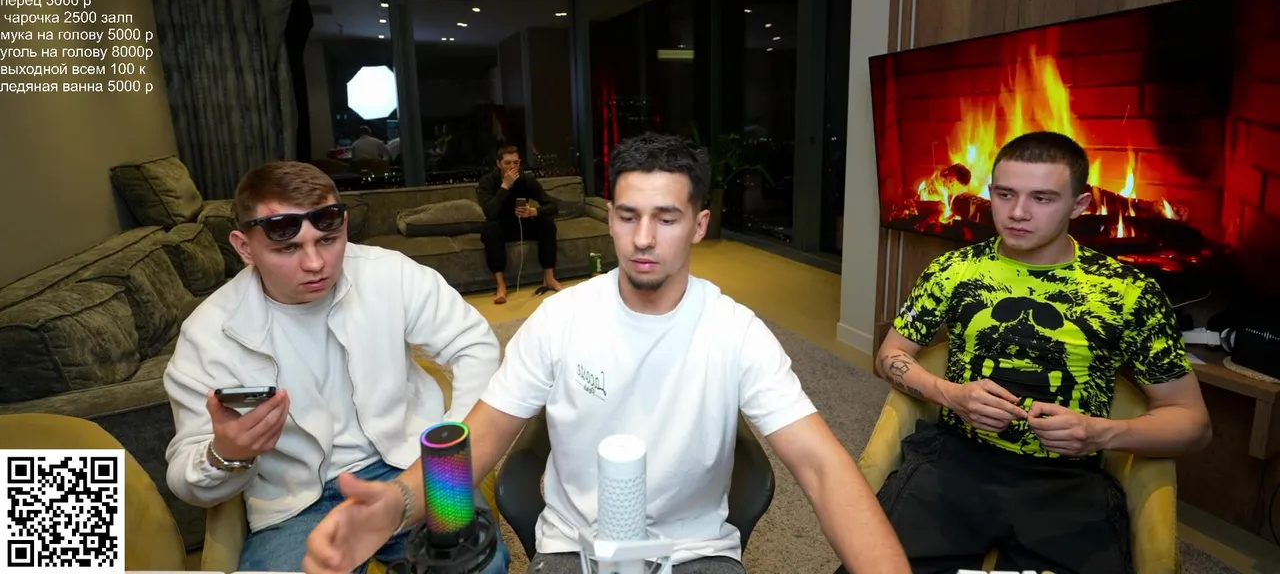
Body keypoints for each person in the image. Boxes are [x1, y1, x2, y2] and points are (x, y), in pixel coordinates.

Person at [302, 132, 911, 574]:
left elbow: (822, 467)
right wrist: (402, 502)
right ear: (610, 219)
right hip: (573, 547)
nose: (643, 239)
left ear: (699, 225)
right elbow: (484, 434)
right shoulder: (561, 318)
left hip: (694, 551)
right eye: (628, 216)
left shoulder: (736, 331)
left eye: (666, 219)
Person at [861, 131, 1212, 574]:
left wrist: (1099, 434)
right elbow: (890, 355)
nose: (1018, 213)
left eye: (1042, 198)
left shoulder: (1129, 292)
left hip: (1068, 480)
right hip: (956, 459)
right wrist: (950, 394)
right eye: (1005, 194)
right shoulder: (953, 270)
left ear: (1079, 205)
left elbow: (1193, 424)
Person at [162, 160, 511, 574]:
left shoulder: (390, 273)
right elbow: (186, 480)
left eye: (328, 240)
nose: (315, 263)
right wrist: (226, 454)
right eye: (288, 248)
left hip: (413, 468)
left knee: (480, 565)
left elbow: (474, 344)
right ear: (244, 247)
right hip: (295, 505)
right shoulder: (207, 333)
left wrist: (450, 454)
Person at [476, 143, 563, 304]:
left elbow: (552, 206)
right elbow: (490, 211)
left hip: (523, 224)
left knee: (547, 224)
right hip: (501, 226)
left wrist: (534, 212)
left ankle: (549, 278)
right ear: (498, 163)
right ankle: (501, 284)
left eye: (515, 163)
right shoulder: (487, 182)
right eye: (507, 163)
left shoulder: (526, 179)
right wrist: (505, 186)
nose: (512, 167)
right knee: (490, 229)